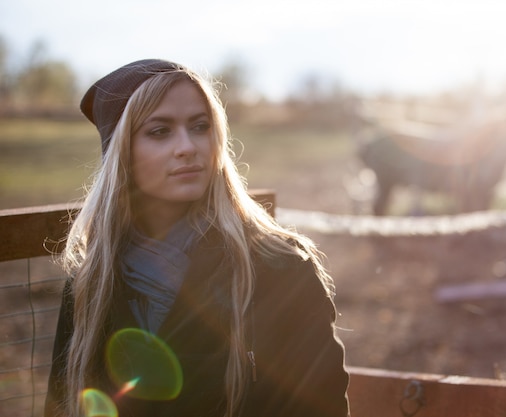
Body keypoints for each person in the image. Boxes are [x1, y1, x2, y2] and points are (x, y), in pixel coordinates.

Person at [44, 59, 350, 417]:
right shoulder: (90, 280)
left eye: (200, 126)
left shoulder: (279, 267)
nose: (188, 147)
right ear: (122, 153)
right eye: (160, 131)